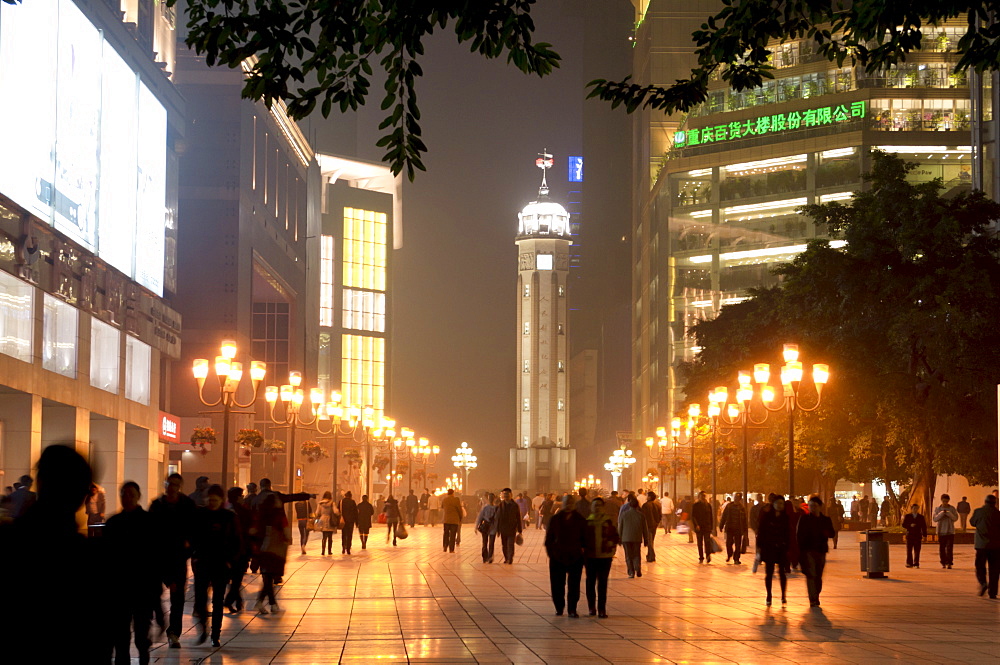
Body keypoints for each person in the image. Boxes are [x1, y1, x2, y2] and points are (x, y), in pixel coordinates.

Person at [105, 481, 158, 664]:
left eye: (131, 495)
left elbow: (154, 556)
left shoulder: (148, 522)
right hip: (120, 587)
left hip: (142, 586)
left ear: (138, 497)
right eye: (124, 494)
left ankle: (143, 659)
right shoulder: (113, 523)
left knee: (141, 633)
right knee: (121, 635)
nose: (127, 498)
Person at [148, 473, 197, 648]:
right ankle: (159, 621)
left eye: (175, 484)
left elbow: (194, 530)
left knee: (177, 598)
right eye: (169, 484)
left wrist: (188, 548)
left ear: (180, 486)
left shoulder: (187, 505)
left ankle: (174, 632)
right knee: (153, 594)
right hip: (158, 557)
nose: (172, 487)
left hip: (177, 557)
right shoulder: (157, 505)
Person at [192, 484, 240, 646]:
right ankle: (203, 628)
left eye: (215, 500)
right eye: (210, 500)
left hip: (220, 563)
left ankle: (215, 635)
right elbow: (192, 537)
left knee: (218, 600)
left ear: (221, 500)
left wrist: (230, 561)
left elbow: (236, 541)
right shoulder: (200, 515)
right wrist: (195, 555)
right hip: (202, 562)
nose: (212, 503)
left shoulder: (228, 517)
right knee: (200, 599)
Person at [545, 494, 586, 616]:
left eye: (571, 502)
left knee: (574, 585)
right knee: (557, 584)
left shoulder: (580, 519)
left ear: (574, 504)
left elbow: (585, 538)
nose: (569, 504)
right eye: (566, 502)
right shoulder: (555, 519)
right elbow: (549, 539)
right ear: (562, 503)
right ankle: (559, 606)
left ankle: (572, 608)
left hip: (575, 557)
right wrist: (551, 553)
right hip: (557, 556)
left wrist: (582, 554)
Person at [583, 497, 618, 618]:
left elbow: (615, 537)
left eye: (599, 505)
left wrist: (612, 549)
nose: (597, 507)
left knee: (602, 583)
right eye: (595, 505)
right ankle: (591, 607)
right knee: (590, 582)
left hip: (605, 556)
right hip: (590, 556)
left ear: (603, 507)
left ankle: (601, 608)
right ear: (591, 507)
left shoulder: (608, 522)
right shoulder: (587, 522)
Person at [797, 496, 835, 607]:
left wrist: (825, 532)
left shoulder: (825, 520)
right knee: (811, 574)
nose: (812, 508)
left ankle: (816, 595)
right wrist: (800, 551)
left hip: (821, 550)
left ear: (820, 507)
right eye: (810, 506)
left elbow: (832, 533)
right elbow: (799, 535)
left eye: (814, 506)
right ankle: (812, 598)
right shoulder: (804, 519)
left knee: (818, 575)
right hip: (808, 550)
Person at [256, 492, 289, 613]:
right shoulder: (279, 516)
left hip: (264, 550)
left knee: (267, 578)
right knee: (269, 578)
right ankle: (268, 603)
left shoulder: (262, 515)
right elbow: (286, 532)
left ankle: (270, 603)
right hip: (276, 550)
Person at [757, 494, 790, 606]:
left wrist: (787, 546)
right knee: (769, 573)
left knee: (782, 573)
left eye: (782, 503)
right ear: (773, 504)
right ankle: (769, 595)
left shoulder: (785, 518)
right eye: (777, 503)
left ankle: (783, 595)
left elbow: (788, 534)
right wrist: (759, 549)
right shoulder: (766, 516)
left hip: (781, 549)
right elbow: (761, 533)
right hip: (769, 548)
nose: (780, 505)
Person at [224, 487, 253, 613]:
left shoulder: (227, 509)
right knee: (237, 577)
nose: (243, 497)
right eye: (241, 495)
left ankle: (237, 600)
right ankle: (230, 600)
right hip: (240, 548)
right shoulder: (240, 511)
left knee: (236, 578)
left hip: (232, 549)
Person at [970, 494, 1000, 598]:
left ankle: (983, 582)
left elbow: (972, 522)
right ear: (995, 503)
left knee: (980, 566)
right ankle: (993, 592)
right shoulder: (998, 514)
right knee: (994, 569)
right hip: (996, 546)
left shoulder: (978, 512)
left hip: (981, 545)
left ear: (985, 502)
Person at [619, 494, 648, 578]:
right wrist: (646, 539)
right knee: (636, 554)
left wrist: (619, 538)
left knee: (628, 556)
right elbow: (644, 529)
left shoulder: (624, 514)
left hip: (626, 538)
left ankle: (631, 572)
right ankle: (637, 569)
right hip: (637, 537)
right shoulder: (641, 515)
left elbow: (620, 527)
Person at [496, 488, 523, 564]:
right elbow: (498, 518)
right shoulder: (501, 505)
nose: (506, 496)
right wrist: (498, 529)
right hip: (503, 528)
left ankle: (510, 558)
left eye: (507, 494)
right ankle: (506, 557)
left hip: (512, 528)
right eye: (504, 494)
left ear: (511, 495)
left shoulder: (515, 505)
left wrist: (520, 530)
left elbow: (518, 517)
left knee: (510, 544)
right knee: (504, 544)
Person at [720, 492, 748, 565]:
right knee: (728, 543)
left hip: (738, 529)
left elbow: (745, 519)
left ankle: (736, 559)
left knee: (738, 545)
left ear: (740, 499)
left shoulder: (742, 508)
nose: (736, 498)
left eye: (737, 497)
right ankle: (730, 554)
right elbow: (724, 516)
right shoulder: (729, 506)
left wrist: (745, 530)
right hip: (730, 528)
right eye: (735, 497)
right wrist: (721, 525)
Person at [932, 494, 959, 569]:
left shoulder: (952, 509)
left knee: (950, 548)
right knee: (942, 548)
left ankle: (949, 562)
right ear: (941, 500)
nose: (945, 503)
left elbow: (955, 518)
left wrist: (948, 513)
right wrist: (942, 513)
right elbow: (935, 519)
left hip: (950, 531)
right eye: (944, 501)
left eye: (946, 501)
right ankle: (943, 562)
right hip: (941, 531)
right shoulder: (938, 509)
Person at [902, 504, 928, 568]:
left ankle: (916, 563)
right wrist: (910, 525)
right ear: (911, 509)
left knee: (917, 550)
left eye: (916, 508)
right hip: (910, 534)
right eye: (914, 508)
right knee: (909, 550)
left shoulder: (921, 517)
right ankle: (909, 563)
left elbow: (924, 527)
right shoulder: (908, 516)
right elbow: (903, 525)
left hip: (918, 535)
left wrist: (924, 535)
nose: (915, 510)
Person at [692, 492, 714, 563]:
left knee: (707, 542)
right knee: (700, 542)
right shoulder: (696, 505)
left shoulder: (708, 505)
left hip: (707, 526)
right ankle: (701, 557)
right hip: (699, 527)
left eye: (704, 496)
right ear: (699, 497)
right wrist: (696, 525)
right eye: (702, 496)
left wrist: (711, 527)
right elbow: (693, 516)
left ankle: (708, 555)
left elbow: (711, 516)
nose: (703, 497)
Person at [475, 493, 498, 563]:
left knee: (491, 543)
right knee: (485, 543)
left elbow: (498, 519)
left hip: (493, 528)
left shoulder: (496, 508)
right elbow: (480, 517)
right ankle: (485, 557)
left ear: (494, 499)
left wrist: (498, 529)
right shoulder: (485, 508)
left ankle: (490, 556)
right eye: (489, 498)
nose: (490, 499)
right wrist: (476, 526)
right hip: (486, 527)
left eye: (491, 498)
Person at [640, 490, 661, 562]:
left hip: (648, 525)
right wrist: (657, 522)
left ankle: (651, 556)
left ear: (649, 497)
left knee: (649, 541)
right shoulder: (658, 504)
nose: (646, 497)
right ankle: (650, 555)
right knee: (651, 541)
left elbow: (643, 516)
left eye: (647, 495)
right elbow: (660, 516)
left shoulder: (645, 505)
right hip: (654, 525)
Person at [441, 488, 463, 552]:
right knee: (453, 535)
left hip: (446, 519)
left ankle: (445, 547)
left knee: (446, 533)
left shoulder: (444, 499)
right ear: (453, 493)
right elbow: (459, 509)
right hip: (454, 520)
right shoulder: (456, 500)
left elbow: (442, 507)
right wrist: (460, 517)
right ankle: (451, 549)